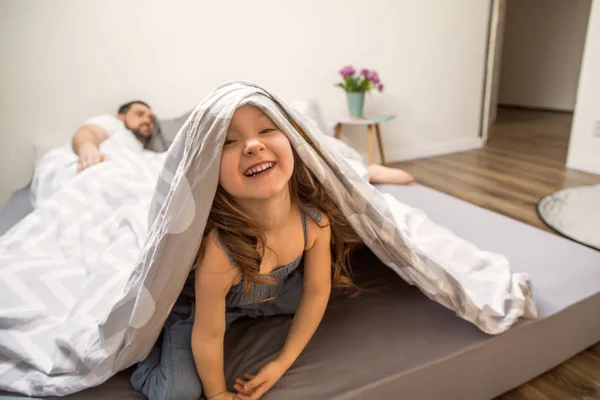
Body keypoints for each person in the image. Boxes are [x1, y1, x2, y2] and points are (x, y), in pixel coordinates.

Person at [130, 102, 364, 400]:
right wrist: (217, 394)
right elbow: (209, 335)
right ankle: (147, 355)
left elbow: (317, 292)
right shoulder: (220, 250)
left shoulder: (314, 223)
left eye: (266, 129)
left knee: (309, 301)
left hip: (270, 293)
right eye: (229, 141)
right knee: (178, 393)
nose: (253, 145)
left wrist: (281, 363)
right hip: (200, 310)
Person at [71, 101, 156, 172]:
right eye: (140, 114)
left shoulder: (144, 151)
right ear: (121, 117)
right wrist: (87, 149)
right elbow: (89, 132)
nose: (147, 120)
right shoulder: (115, 123)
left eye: (150, 118)